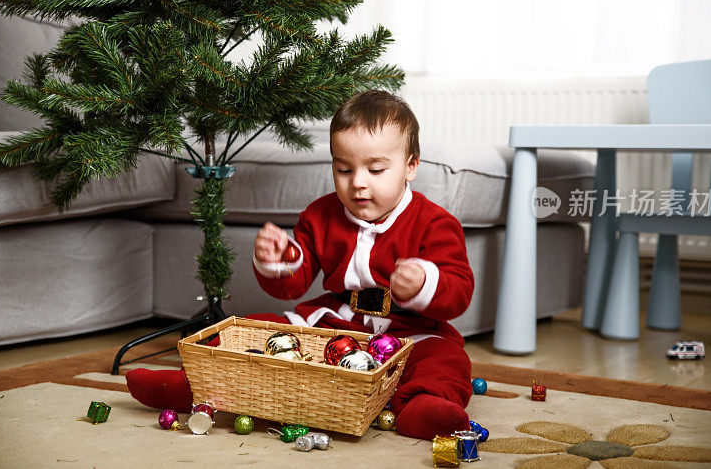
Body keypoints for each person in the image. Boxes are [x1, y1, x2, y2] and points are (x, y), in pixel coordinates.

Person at [126, 90, 475, 440]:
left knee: (445, 359)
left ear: (411, 166)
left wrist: (426, 283)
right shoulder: (321, 214)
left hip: (410, 329)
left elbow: (459, 292)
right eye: (343, 168)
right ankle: (194, 386)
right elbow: (293, 285)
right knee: (257, 330)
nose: (358, 182)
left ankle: (424, 404)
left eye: (376, 169)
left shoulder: (434, 223)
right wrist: (278, 262)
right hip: (334, 321)